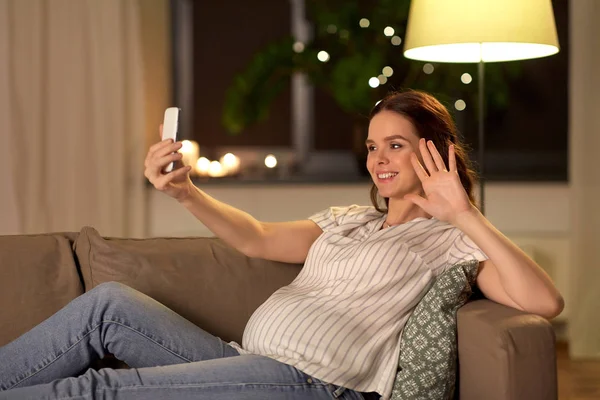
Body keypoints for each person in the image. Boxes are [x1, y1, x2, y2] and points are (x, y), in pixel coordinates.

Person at [0, 90, 564, 400]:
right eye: (373, 146)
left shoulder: (451, 241)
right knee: (108, 306)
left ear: (434, 151)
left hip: (315, 384)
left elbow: (543, 303)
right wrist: (185, 191)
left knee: (97, 389)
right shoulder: (350, 220)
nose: (379, 159)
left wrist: (465, 213)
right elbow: (259, 237)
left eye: (396, 144)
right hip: (251, 364)